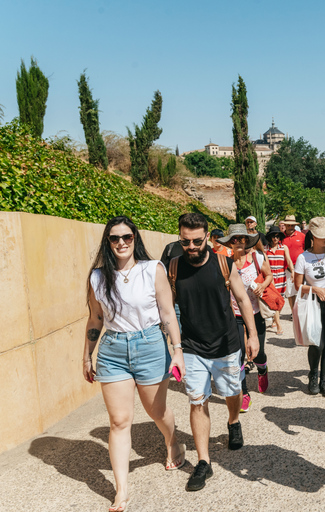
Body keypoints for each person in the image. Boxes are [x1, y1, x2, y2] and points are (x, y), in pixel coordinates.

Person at [83, 216, 185, 512]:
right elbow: (96, 319)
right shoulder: (98, 277)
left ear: (134, 238)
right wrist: (86, 355)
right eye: (114, 238)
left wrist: (177, 350)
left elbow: (168, 313)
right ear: (108, 242)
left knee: (157, 410)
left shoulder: (152, 270)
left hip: (150, 344)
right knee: (118, 422)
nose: (121, 243)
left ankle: (172, 440)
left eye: (127, 237)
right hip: (113, 349)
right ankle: (122, 491)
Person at [169, 213, 259, 492]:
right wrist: (176, 348)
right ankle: (204, 462)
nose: (191, 247)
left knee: (232, 392)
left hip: (226, 343)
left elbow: (243, 298)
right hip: (193, 346)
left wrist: (253, 335)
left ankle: (233, 421)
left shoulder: (223, 262)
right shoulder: (172, 268)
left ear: (208, 237)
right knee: (197, 400)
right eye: (185, 242)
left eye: (197, 241)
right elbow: (168, 310)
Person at [219, 224, 273, 410]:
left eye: (241, 239)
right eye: (234, 240)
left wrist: (262, 286)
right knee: (238, 355)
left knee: (257, 353)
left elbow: (269, 276)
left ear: (247, 241)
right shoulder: (225, 263)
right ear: (230, 244)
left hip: (256, 312)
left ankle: (262, 368)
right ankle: (244, 393)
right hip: (234, 314)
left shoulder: (257, 258)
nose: (238, 243)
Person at [294, 217, 325, 397]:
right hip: (314, 303)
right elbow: (298, 286)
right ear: (313, 236)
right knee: (317, 343)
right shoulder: (303, 257)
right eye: (323, 236)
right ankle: (313, 374)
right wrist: (314, 289)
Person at [265, 225, 293, 335]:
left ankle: (274, 319)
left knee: (281, 301)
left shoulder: (284, 248)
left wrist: (293, 272)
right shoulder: (265, 249)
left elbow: (289, 261)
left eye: (277, 236)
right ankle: (279, 325)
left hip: (282, 277)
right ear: (270, 237)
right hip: (271, 279)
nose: (275, 238)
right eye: (273, 236)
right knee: (275, 302)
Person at [283, 215, 305, 311]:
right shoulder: (281, 237)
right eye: (288, 225)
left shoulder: (302, 236)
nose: (290, 227)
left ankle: (302, 310)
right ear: (285, 226)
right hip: (287, 268)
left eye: (292, 225)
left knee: (302, 290)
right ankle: (293, 312)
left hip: (301, 267)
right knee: (290, 292)